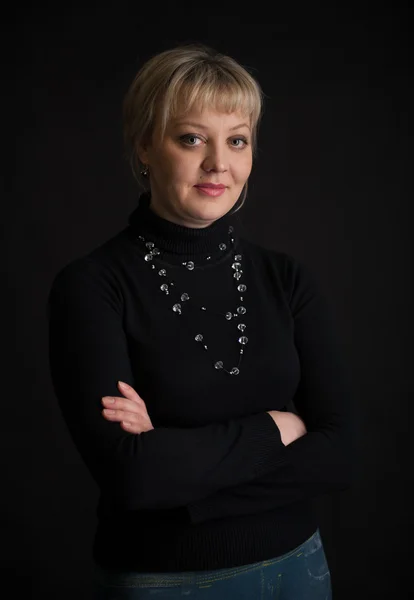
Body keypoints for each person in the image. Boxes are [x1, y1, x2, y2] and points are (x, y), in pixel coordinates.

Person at [47, 43, 354, 599]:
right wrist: (279, 429)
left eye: (236, 140)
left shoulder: (286, 279)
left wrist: (176, 470)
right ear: (145, 146)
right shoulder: (92, 287)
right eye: (191, 138)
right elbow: (131, 477)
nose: (219, 163)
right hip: (163, 582)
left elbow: (341, 452)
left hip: (298, 569)